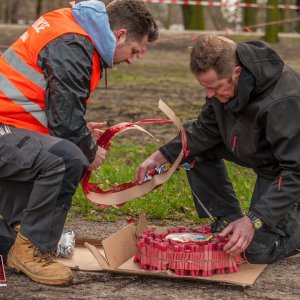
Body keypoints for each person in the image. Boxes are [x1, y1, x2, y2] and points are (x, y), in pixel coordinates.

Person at [0, 0, 158, 285]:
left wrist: (79, 131)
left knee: (52, 151)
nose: (133, 59)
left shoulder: (70, 24)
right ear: (119, 34)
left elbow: (48, 103)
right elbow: (65, 123)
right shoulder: (73, 43)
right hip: (5, 129)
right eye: (134, 51)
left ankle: (19, 235)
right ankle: (31, 250)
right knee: (67, 158)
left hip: (9, 126)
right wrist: (89, 149)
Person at [136, 33, 300, 264]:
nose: (209, 95)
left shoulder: (284, 100)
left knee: (256, 250)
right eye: (205, 88)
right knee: (191, 147)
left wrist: (253, 220)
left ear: (237, 73)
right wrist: (163, 155)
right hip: (260, 153)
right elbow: (204, 129)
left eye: (215, 88)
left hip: (286, 171)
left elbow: (295, 171)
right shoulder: (223, 87)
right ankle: (228, 218)